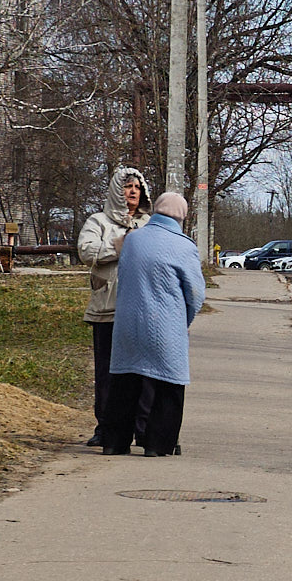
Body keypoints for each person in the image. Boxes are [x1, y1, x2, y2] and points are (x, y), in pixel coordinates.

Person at [102, 192, 206, 457]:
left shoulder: (133, 240)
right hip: (165, 325)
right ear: (182, 216)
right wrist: (185, 320)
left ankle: (114, 442)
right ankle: (157, 444)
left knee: (125, 382)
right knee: (168, 385)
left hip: (127, 323)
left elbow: (124, 278)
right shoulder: (184, 246)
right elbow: (195, 294)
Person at [77, 167, 152, 447]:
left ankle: (141, 429)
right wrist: (119, 246)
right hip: (107, 309)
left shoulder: (149, 223)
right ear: (115, 191)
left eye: (137, 187)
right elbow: (86, 251)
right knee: (107, 373)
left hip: (143, 310)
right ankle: (106, 427)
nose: (133, 192)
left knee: (143, 373)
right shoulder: (98, 221)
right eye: (127, 186)